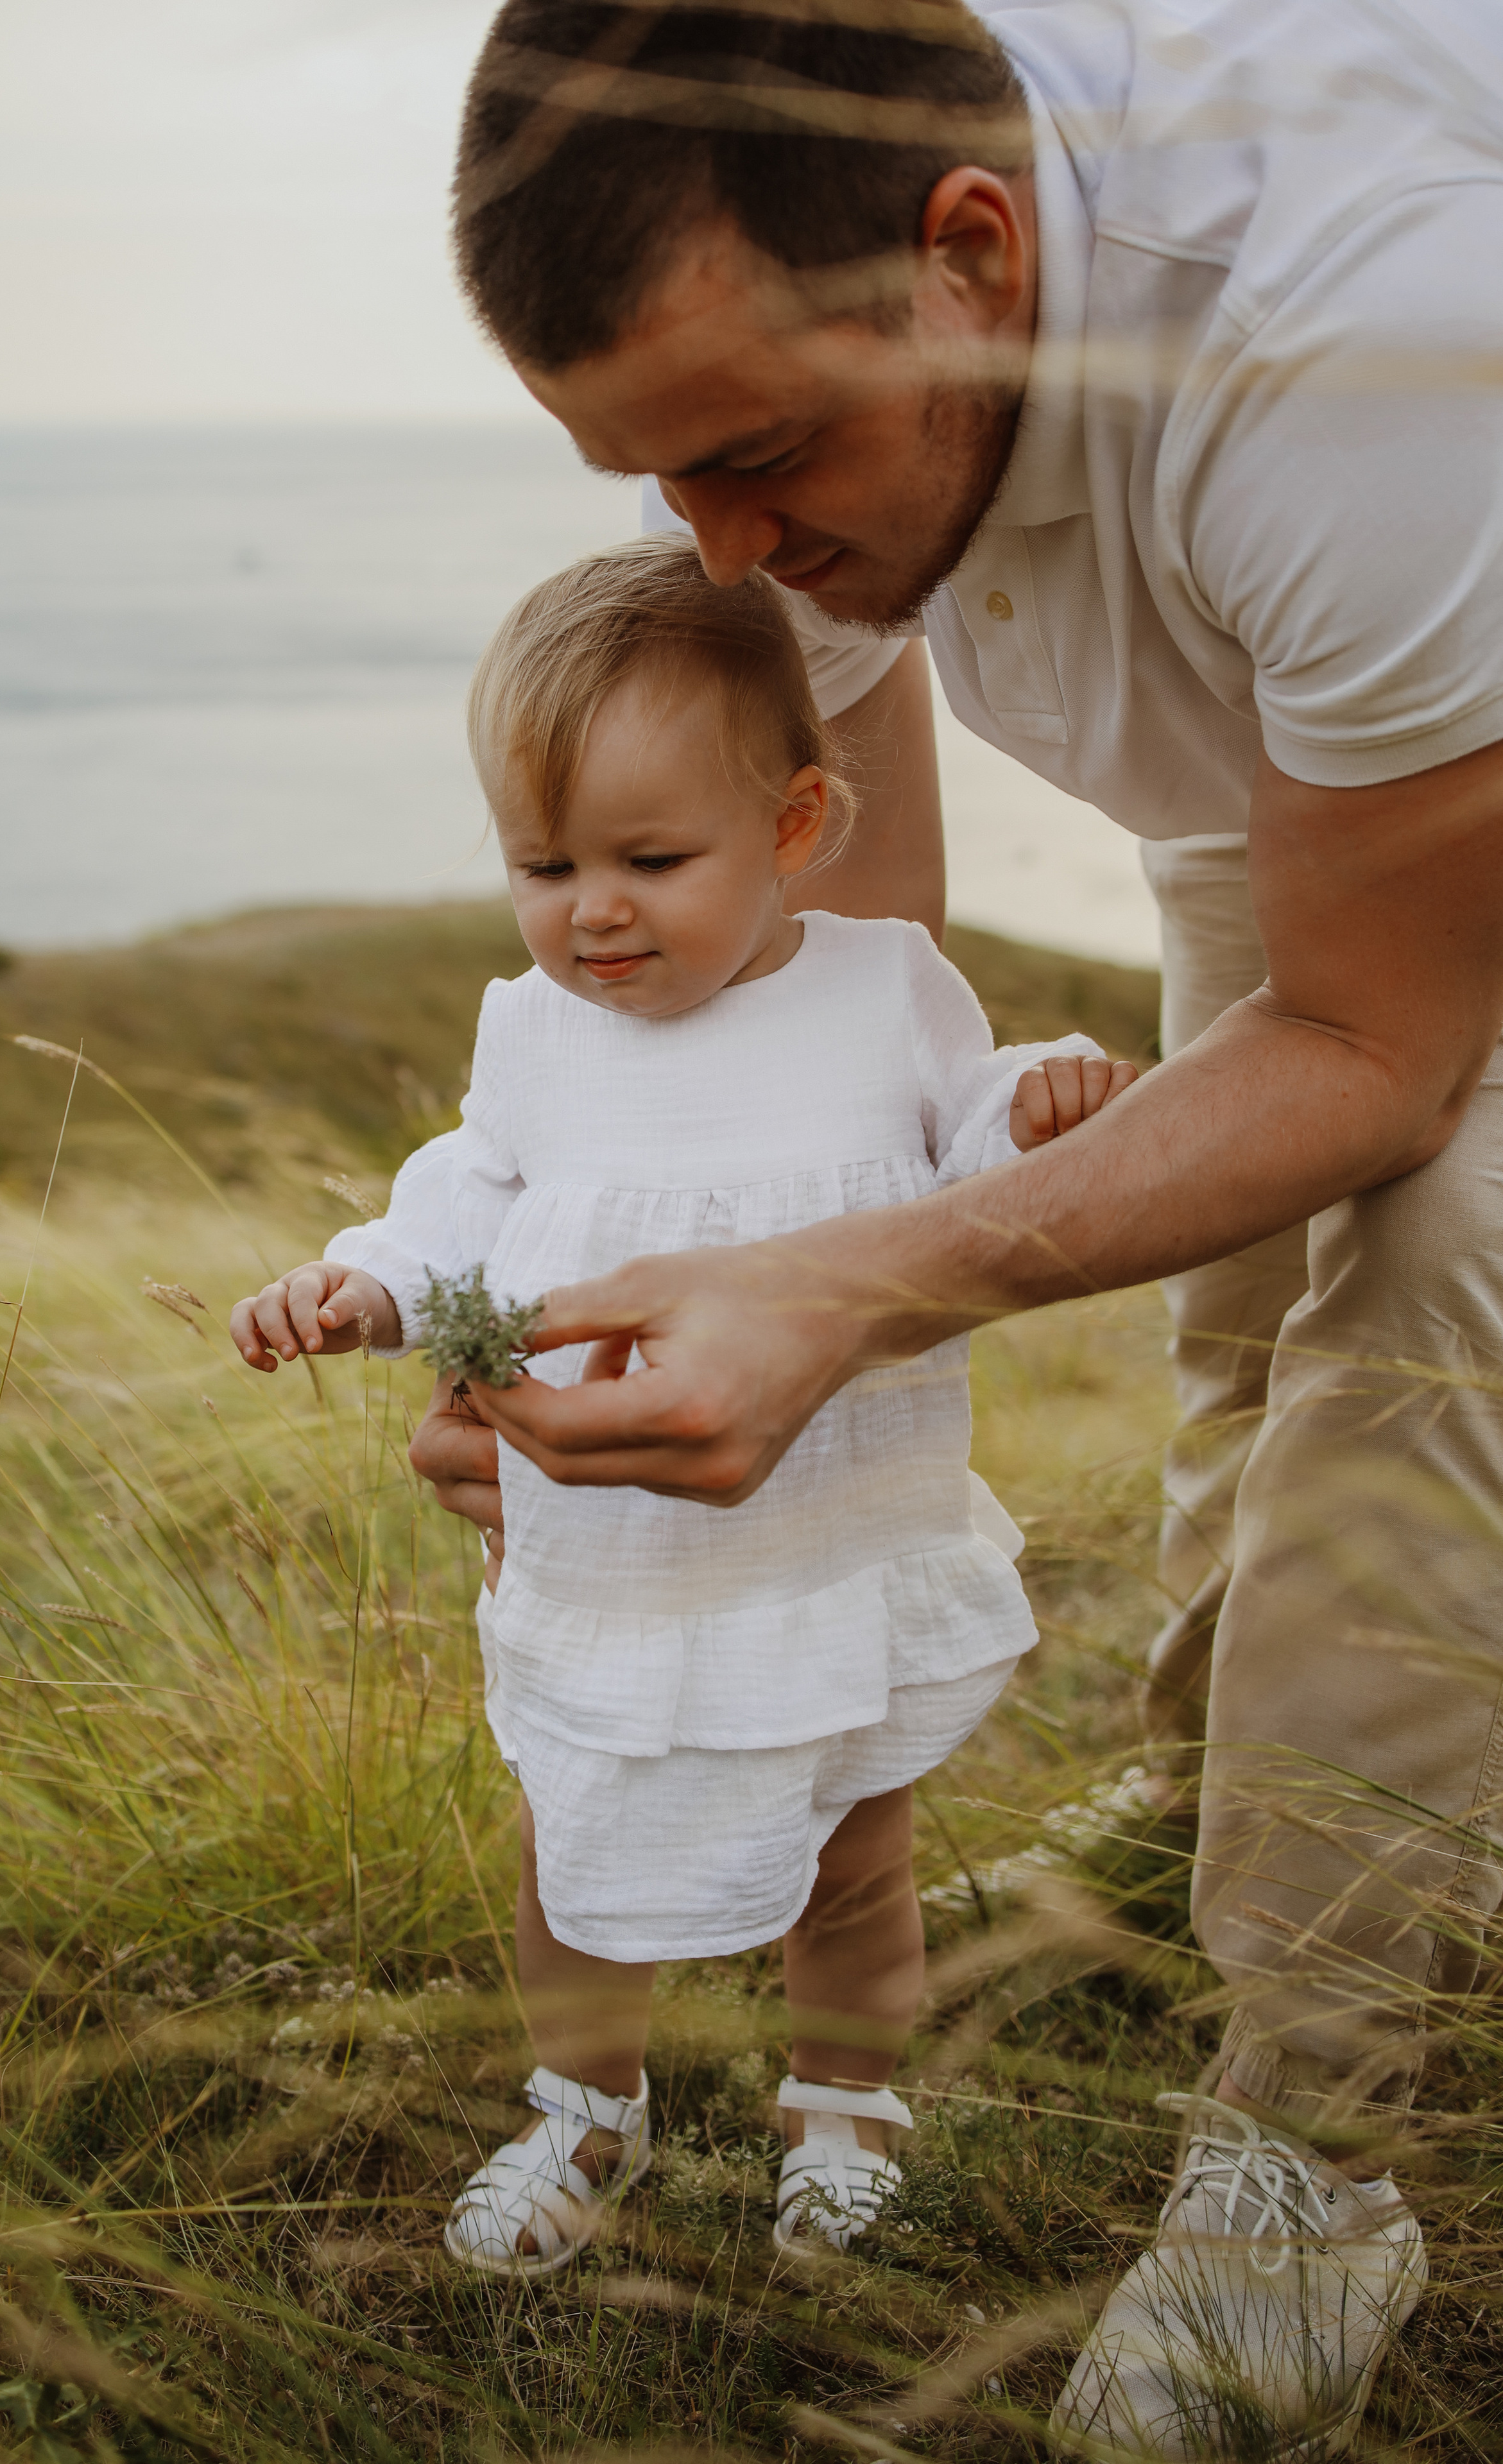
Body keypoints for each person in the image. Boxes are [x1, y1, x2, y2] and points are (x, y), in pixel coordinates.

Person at [410, 0, 1503, 2448]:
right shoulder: (807, 419)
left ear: (975, 259)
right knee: (1232, 1296)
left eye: (761, 458)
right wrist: (611, 1326)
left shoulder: (1373, 343)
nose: (722, 563)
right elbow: (852, 1000)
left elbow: (1377, 1047)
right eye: (647, 478)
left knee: (1417, 1299)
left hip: (1461, 679)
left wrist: (830, 1295)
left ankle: (1310, 2162)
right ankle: (1223, 1745)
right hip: (1300, 719)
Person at [230, 535, 1133, 2276]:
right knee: (579, 1856)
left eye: (653, 857)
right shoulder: (538, 1036)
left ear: (796, 827)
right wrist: (363, 1285)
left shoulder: (884, 990)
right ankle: (585, 2109)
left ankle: (849, 2119)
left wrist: (1044, 1098)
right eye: (543, 863)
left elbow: (970, 1132)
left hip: (828, 1545)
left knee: (861, 1862)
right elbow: (464, 1200)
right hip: (621, 1564)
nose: (596, 910)